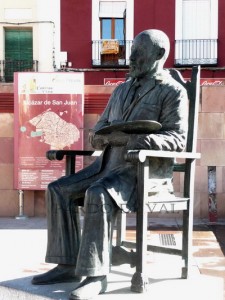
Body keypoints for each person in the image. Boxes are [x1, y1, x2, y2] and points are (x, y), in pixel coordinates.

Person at [32, 29, 188, 300]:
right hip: (106, 166)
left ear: (159, 55)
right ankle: (68, 265)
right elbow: (100, 127)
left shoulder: (172, 92)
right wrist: (99, 137)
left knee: (98, 194)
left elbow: (177, 140)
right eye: (132, 52)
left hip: (141, 171)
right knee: (58, 189)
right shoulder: (122, 89)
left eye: (138, 53)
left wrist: (133, 140)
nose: (131, 58)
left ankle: (96, 276)